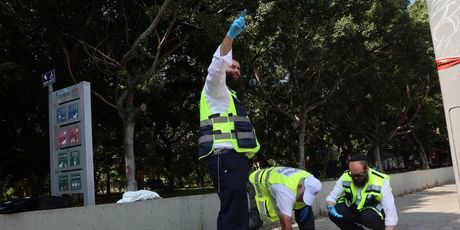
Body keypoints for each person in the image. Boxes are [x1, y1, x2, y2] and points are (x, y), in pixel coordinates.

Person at [198, 9, 260, 230]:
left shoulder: (232, 99)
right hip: (224, 159)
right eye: (232, 66)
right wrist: (230, 35)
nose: (236, 70)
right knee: (234, 213)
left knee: (235, 212)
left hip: (236, 160)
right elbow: (218, 63)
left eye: (239, 69)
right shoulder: (216, 89)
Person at [325, 154, 398, 230]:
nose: (356, 178)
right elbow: (332, 197)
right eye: (353, 175)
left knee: (368, 217)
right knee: (334, 213)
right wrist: (330, 206)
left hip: (373, 213)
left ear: (366, 169)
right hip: (355, 210)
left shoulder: (380, 180)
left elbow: (389, 208)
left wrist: (389, 227)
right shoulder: (346, 176)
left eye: (359, 175)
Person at [247, 167, 322, 230]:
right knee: (255, 221)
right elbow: (286, 225)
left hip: (279, 183)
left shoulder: (310, 180)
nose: (304, 200)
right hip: (257, 183)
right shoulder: (285, 191)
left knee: (304, 211)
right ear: (299, 186)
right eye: (304, 196)